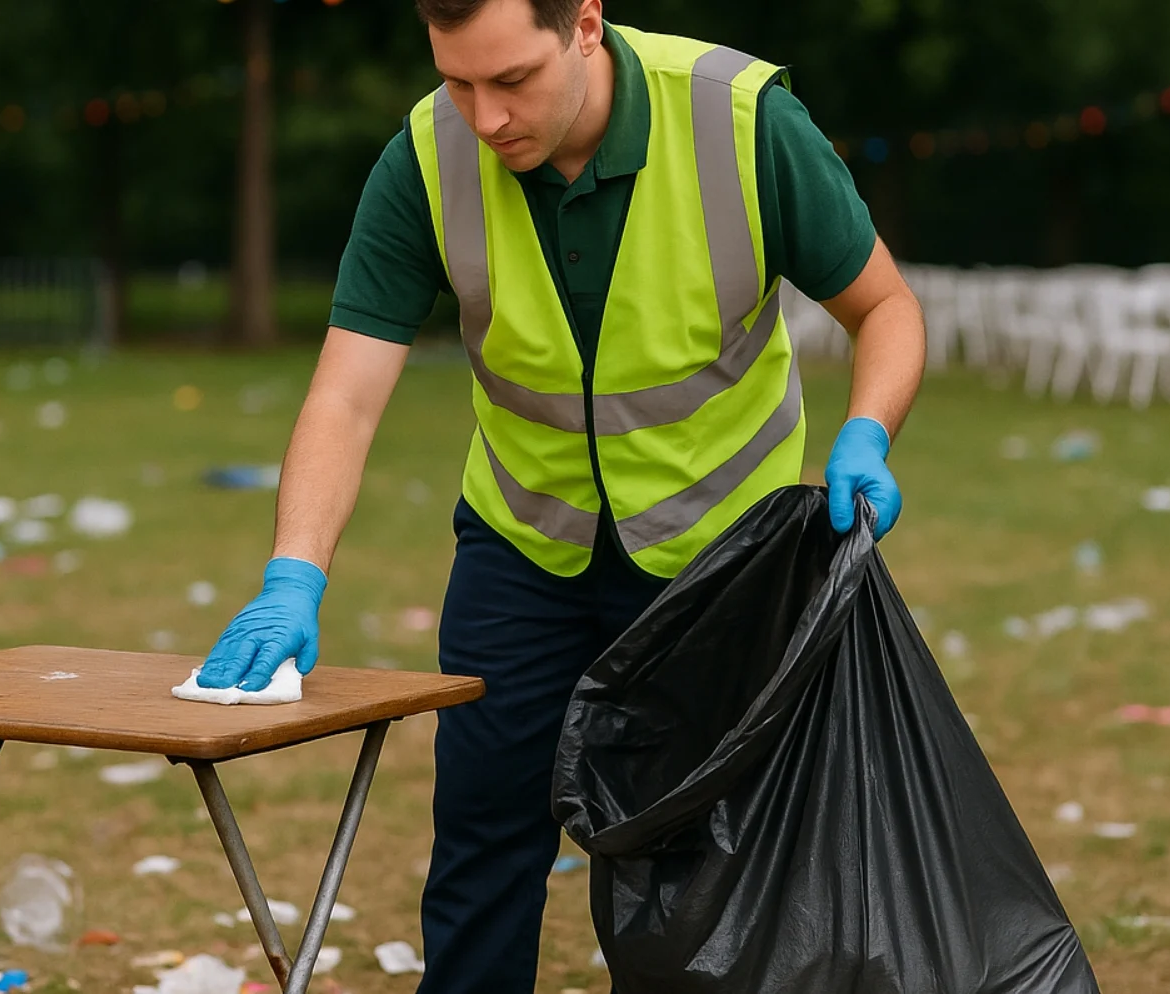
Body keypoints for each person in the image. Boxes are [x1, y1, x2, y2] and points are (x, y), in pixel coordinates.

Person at [197, 0, 925, 988]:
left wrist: (867, 432)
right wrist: (293, 573)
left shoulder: (739, 120)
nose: (485, 118)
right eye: (458, 82)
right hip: (524, 544)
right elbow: (346, 392)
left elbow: (883, 305)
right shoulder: (428, 153)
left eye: (512, 80)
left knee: (703, 862)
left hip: (714, 557)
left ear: (585, 23)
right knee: (483, 839)